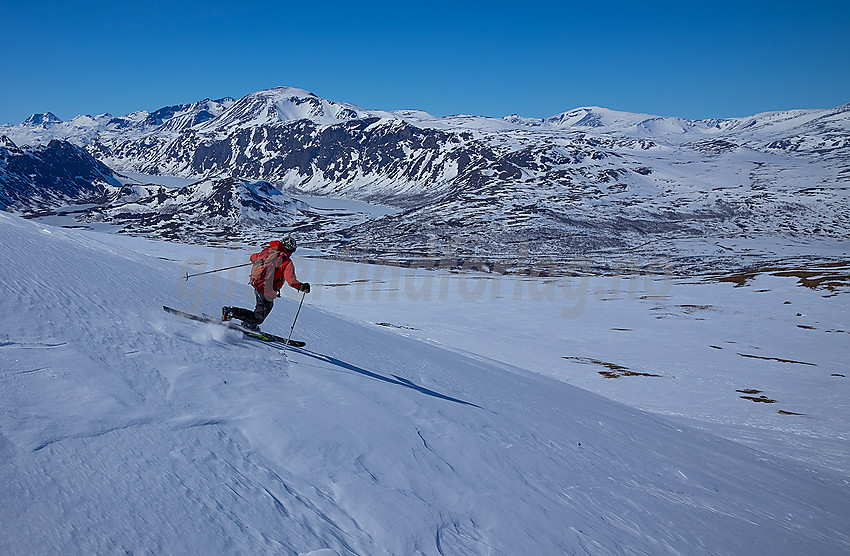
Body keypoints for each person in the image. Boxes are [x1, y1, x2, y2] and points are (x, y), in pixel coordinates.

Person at [222, 236, 310, 330]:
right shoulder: (286, 262)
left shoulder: (268, 251)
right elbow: (291, 281)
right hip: (266, 290)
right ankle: (232, 312)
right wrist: (302, 287)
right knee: (258, 318)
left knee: (262, 309)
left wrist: (263, 262)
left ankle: (248, 323)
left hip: (257, 284)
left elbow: (252, 258)